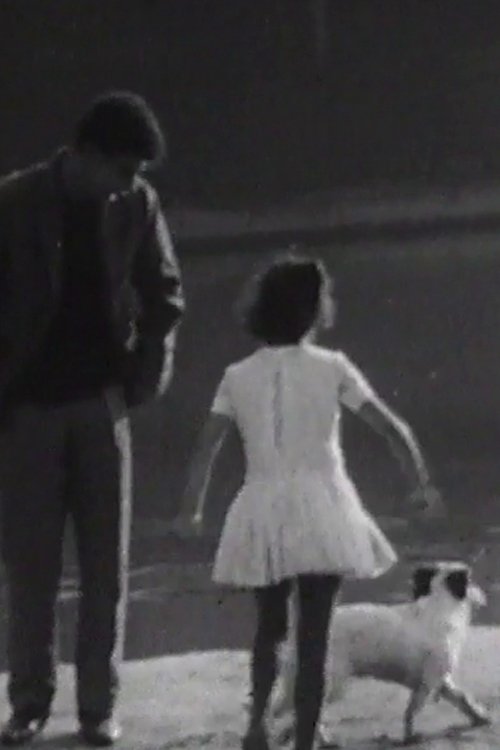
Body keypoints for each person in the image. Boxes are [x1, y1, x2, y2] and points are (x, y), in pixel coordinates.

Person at [171, 256, 441, 750]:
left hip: (262, 506)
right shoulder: (332, 367)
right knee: (315, 635)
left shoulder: (237, 375)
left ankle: (257, 726)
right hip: (323, 505)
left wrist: (192, 508)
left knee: (270, 627)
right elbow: (391, 428)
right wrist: (420, 485)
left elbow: (206, 448)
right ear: (315, 310)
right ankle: (306, 738)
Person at [0, 91, 185, 746]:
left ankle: (99, 707)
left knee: (108, 567)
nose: (129, 184)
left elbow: (165, 293)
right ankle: (29, 702)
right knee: (32, 568)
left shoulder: (138, 204)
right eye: (123, 169)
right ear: (85, 154)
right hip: (27, 409)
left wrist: (147, 371)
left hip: (103, 403)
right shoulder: (14, 202)